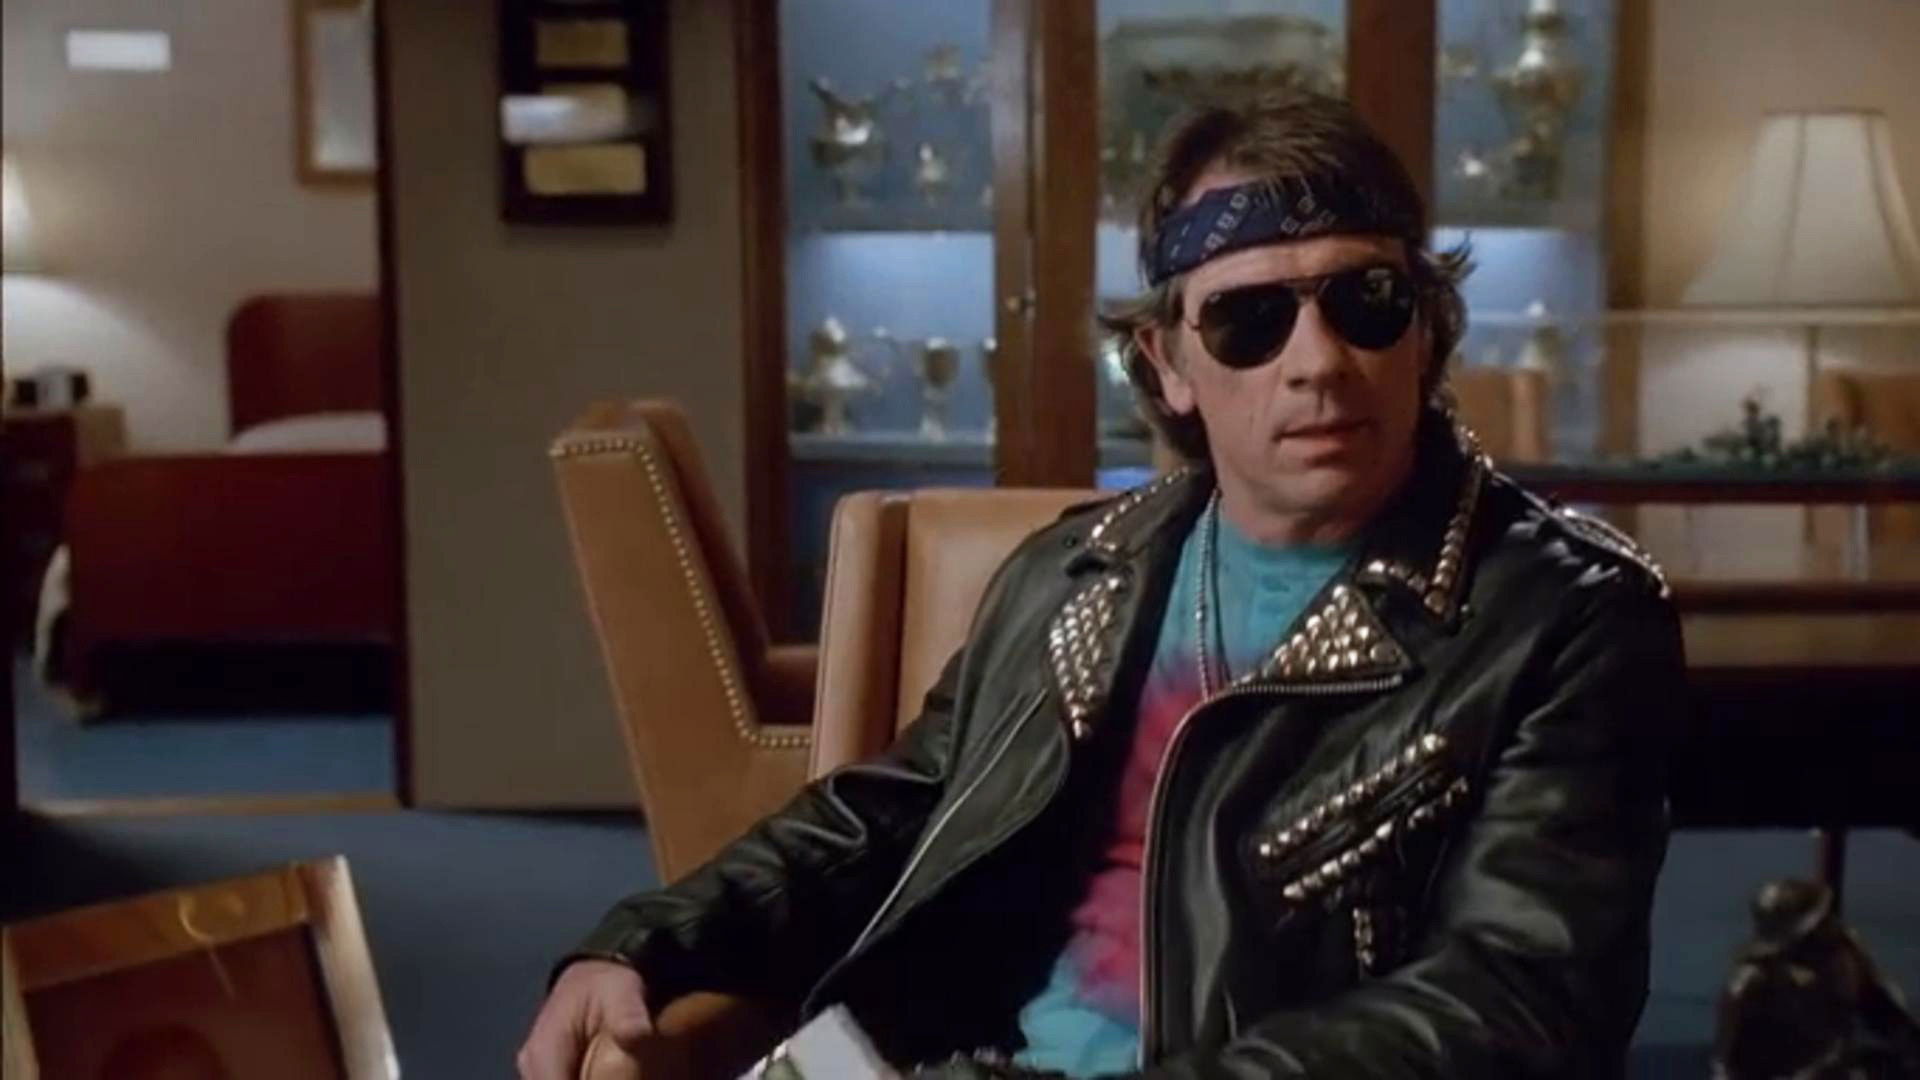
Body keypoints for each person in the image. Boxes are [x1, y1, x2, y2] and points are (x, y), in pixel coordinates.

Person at [519, 90, 1683, 1079]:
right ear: (1168, 364)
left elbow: (1518, 999)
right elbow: (898, 811)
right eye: (1250, 321)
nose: (1319, 363)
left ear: (1425, 330)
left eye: (1365, 303)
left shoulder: (1568, 615)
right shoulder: (1079, 573)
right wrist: (645, 939)